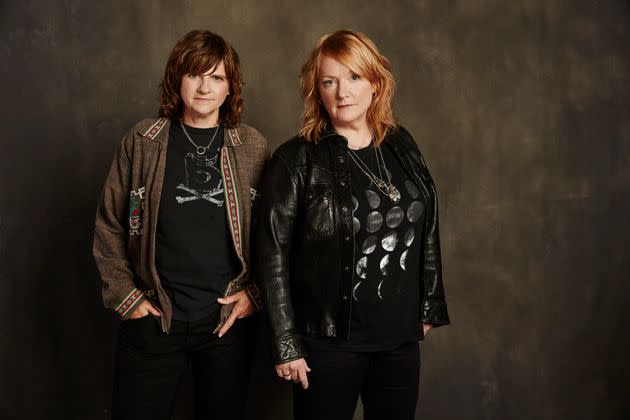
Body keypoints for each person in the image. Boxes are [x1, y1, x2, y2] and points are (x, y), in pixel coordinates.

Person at [255, 29, 450, 420]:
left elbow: (427, 221)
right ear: (317, 90)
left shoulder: (401, 144)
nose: (342, 91)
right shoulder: (297, 160)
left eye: (354, 77)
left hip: (399, 342)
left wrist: (429, 303)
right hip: (330, 345)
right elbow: (270, 254)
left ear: (376, 84)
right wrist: (286, 342)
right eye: (330, 81)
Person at [93, 30, 267, 420]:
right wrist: (128, 297)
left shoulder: (252, 147)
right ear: (177, 79)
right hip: (155, 319)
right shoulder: (142, 141)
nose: (205, 87)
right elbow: (110, 225)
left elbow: (274, 237)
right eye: (195, 74)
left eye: (217, 77)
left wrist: (256, 294)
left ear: (230, 87)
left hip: (226, 324)